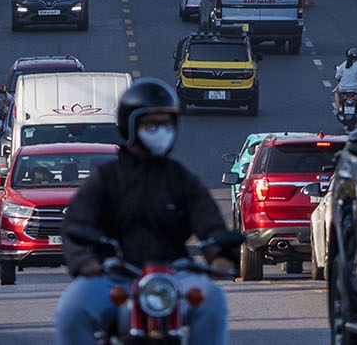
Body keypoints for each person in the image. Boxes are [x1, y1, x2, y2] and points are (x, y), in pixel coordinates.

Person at [53, 79, 234, 345]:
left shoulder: (182, 179)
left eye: (167, 125)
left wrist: (219, 256)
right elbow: (75, 224)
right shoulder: (105, 179)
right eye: (152, 125)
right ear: (129, 126)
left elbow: (210, 222)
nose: (162, 131)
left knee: (213, 299)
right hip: (114, 277)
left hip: (174, 275)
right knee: (71, 310)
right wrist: (84, 260)